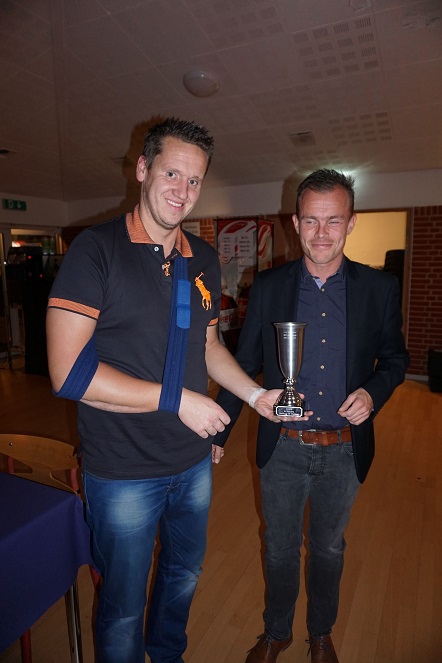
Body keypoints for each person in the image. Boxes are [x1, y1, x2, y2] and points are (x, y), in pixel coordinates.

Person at [46, 117, 288, 663]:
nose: (183, 190)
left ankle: (167, 653)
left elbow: (208, 346)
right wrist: (179, 400)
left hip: (192, 463)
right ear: (142, 169)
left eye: (195, 179)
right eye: (172, 173)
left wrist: (254, 397)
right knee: (123, 605)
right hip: (121, 471)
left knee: (183, 575)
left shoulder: (201, 258)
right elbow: (69, 375)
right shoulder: (95, 250)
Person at [215, 169, 409, 663]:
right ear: (296, 223)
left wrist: (372, 393)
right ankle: (276, 632)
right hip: (283, 445)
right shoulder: (269, 285)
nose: (321, 233)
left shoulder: (380, 288)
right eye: (311, 221)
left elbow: (395, 359)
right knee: (279, 548)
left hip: (343, 449)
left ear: (351, 223)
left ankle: (320, 634)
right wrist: (219, 427)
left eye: (333, 220)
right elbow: (245, 362)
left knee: (328, 549)